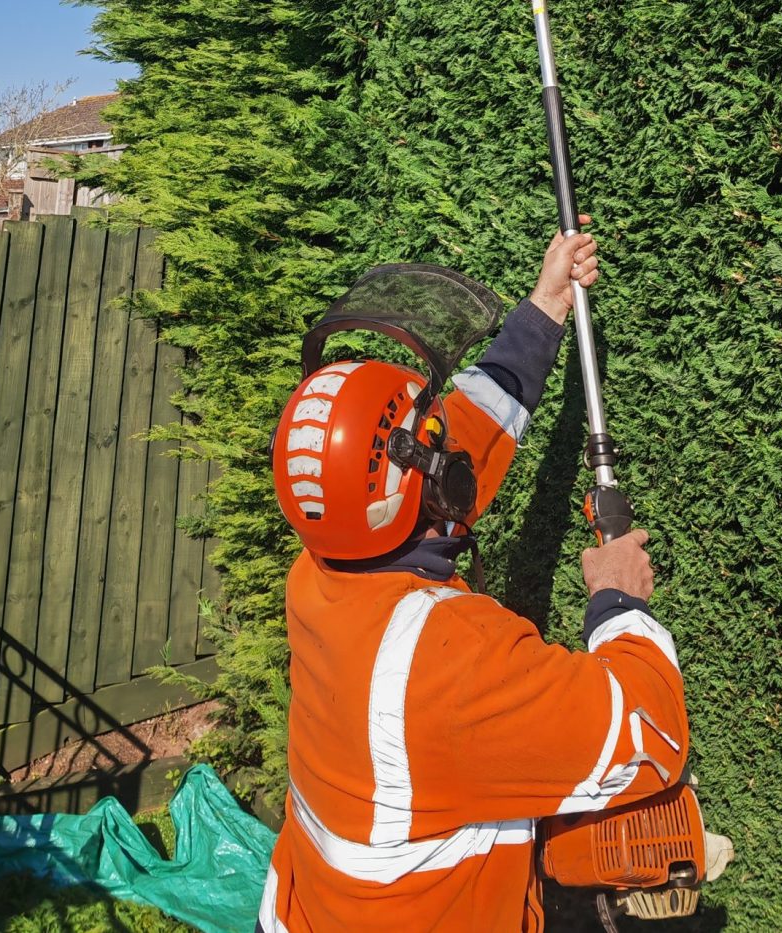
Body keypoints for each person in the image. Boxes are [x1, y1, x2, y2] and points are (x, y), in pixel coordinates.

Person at [258, 220, 694, 932]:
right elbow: (650, 732)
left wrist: (546, 305)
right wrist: (619, 601)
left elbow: (470, 429)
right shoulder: (441, 666)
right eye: (435, 438)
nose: (452, 436)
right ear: (424, 487)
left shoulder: (323, 565)